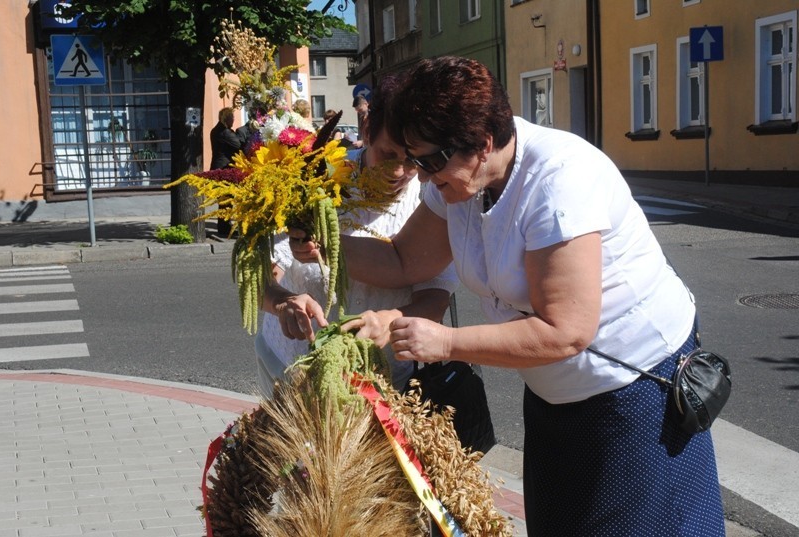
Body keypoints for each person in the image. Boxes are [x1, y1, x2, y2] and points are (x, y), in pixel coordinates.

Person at [289, 56, 725, 536]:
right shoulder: (458, 180)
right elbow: (404, 261)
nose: (421, 174)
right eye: (415, 158)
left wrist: (447, 342)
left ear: (482, 143)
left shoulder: (559, 181)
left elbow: (566, 331)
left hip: (633, 392)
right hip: (557, 395)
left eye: (430, 160)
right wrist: (324, 243)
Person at [254, 75, 459, 398]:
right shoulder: (314, 178)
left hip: (381, 382)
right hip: (291, 370)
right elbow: (259, 277)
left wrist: (389, 321)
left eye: (411, 160)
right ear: (366, 131)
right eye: (387, 154)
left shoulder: (430, 199)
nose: (397, 172)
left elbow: (435, 299)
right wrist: (283, 302)